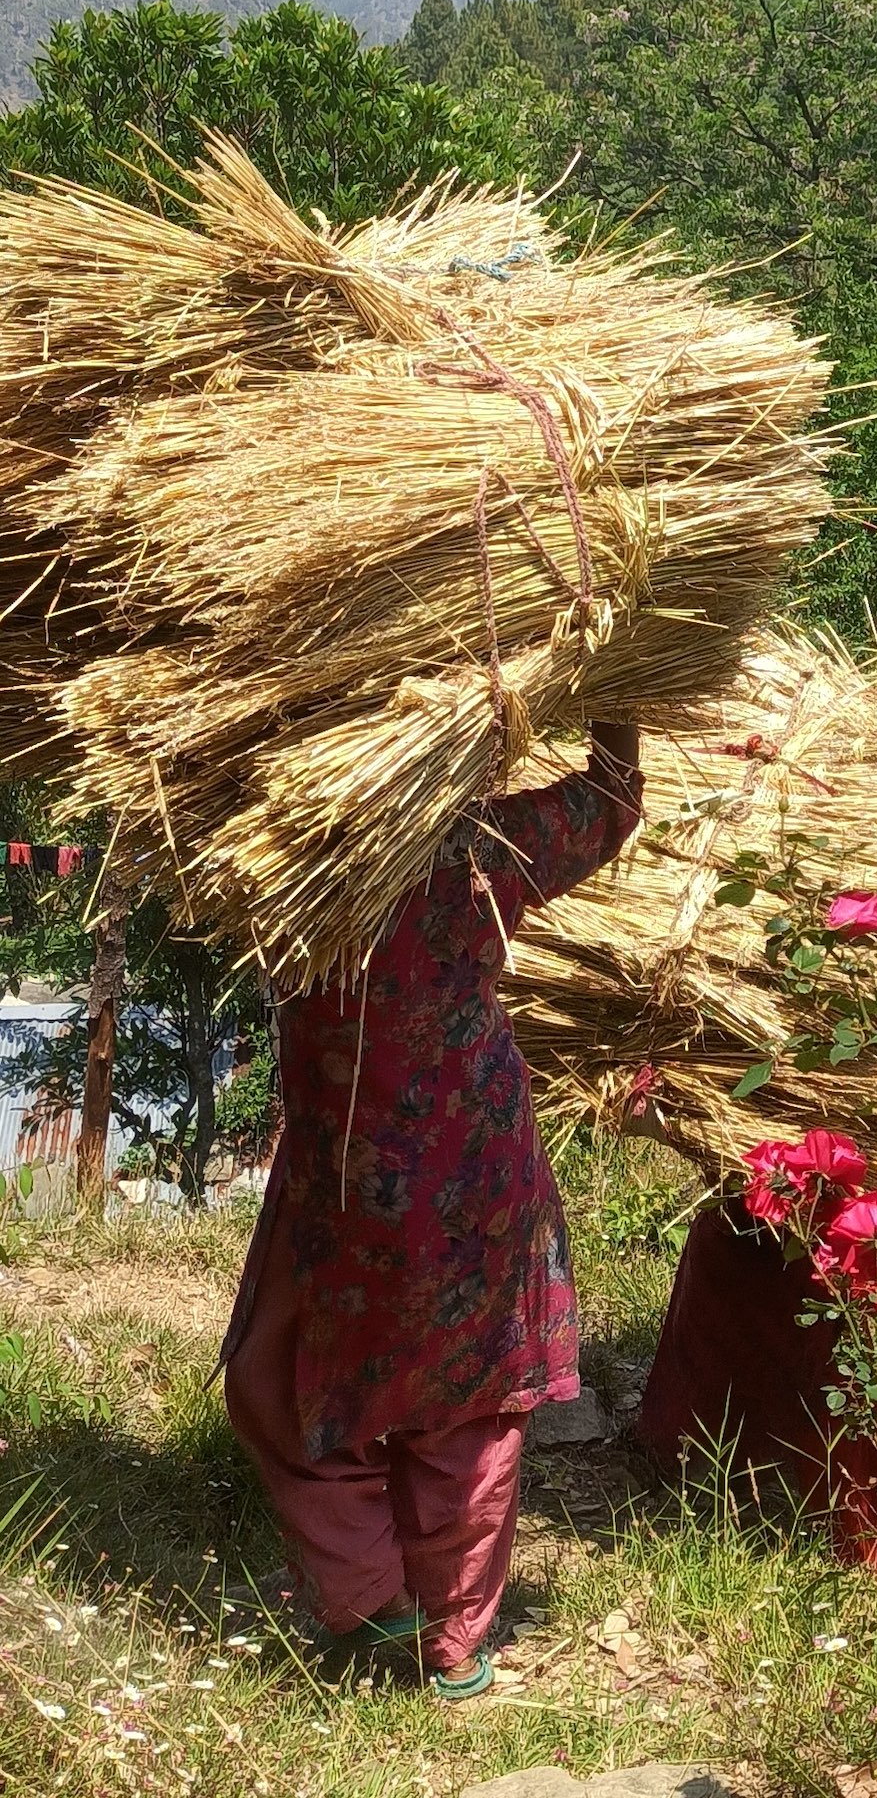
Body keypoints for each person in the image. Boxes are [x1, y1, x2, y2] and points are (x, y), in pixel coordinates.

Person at [220, 722, 642, 1698]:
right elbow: (615, 796)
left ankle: (379, 1607)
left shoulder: (282, 851)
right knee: (465, 1406)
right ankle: (448, 1640)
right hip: (467, 1172)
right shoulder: (481, 849)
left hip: (356, 1182)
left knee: (295, 1393)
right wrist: (616, 695)